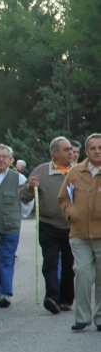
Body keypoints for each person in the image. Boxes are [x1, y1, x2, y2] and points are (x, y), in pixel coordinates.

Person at [19, 137, 75, 314]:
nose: (70, 153)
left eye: (71, 150)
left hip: (72, 225)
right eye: (66, 150)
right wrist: (30, 186)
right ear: (55, 152)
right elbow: (24, 196)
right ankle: (52, 297)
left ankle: (67, 299)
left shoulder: (78, 171)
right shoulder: (41, 171)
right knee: (50, 262)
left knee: (69, 264)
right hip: (48, 224)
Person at [0, 144, 33, 308]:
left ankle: (5, 292)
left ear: (10, 160)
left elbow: (27, 201)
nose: (1, 159)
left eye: (5, 157)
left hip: (10, 227)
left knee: (6, 257)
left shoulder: (19, 178)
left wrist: (20, 216)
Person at [58, 133, 101, 332]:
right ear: (86, 151)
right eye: (93, 148)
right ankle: (82, 317)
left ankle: (100, 318)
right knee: (84, 273)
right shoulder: (75, 172)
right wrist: (71, 213)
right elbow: (63, 198)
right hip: (79, 233)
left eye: (100, 148)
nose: (97, 151)